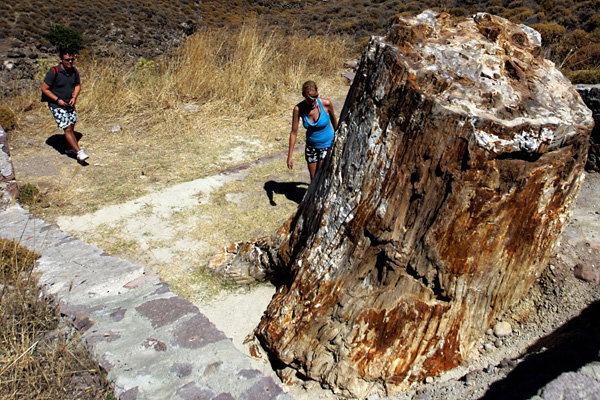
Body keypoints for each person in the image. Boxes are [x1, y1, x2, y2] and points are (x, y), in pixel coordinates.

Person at [41, 51, 88, 161]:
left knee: (72, 125)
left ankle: (68, 148)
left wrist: (74, 97)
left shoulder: (74, 71)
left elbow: (77, 85)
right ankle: (79, 152)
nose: (70, 62)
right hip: (56, 104)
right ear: (61, 60)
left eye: (72, 59)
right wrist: (57, 100)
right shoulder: (54, 72)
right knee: (67, 128)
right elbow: (44, 88)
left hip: (69, 102)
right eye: (67, 60)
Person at [287, 81, 338, 180]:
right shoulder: (298, 109)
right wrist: (290, 156)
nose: (313, 101)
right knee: (313, 179)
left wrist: (338, 140)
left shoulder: (326, 104)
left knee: (321, 176)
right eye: (310, 99)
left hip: (327, 145)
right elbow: (294, 132)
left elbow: (335, 122)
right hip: (311, 147)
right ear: (304, 96)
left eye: (316, 96)